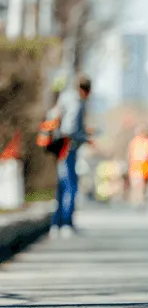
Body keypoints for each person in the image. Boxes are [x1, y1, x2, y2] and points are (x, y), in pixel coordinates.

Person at [50, 75, 94, 238]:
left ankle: (57, 223)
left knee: (62, 185)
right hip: (69, 147)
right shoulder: (76, 102)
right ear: (85, 90)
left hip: (60, 147)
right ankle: (66, 223)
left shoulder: (65, 97)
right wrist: (85, 138)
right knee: (70, 185)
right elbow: (70, 128)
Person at [128, 124, 148, 209]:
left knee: (145, 185)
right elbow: (131, 154)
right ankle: (138, 200)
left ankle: (143, 197)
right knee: (137, 183)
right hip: (136, 165)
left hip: (147, 166)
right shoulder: (134, 141)